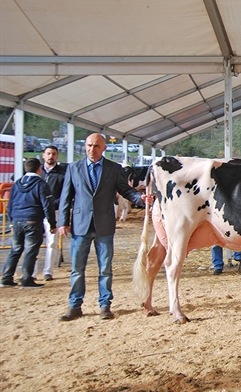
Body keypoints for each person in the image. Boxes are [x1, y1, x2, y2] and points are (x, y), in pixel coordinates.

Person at [57, 133, 154, 321]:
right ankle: (75, 305)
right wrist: (62, 222)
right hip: (80, 225)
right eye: (89, 145)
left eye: (96, 146)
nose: (91, 149)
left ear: (104, 148)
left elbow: (125, 190)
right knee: (77, 268)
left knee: (105, 269)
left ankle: (105, 305)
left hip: (105, 226)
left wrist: (140, 199)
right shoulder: (73, 168)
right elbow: (65, 197)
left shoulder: (114, 169)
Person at [0, 158, 56, 289]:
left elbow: (10, 204)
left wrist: (12, 220)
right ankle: (27, 278)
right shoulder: (41, 184)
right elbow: (47, 205)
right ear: (39, 169)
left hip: (17, 220)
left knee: (15, 250)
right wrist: (52, 223)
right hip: (33, 220)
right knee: (31, 250)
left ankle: (6, 277)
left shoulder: (17, 183)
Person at [34, 145, 67, 281]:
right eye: (48, 153)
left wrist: (53, 204)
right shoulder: (37, 172)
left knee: (52, 242)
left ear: (57, 156)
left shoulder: (62, 173)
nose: (50, 156)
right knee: (33, 243)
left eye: (53, 154)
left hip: (54, 211)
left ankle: (48, 271)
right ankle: (32, 272)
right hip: (36, 212)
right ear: (43, 155)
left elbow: (65, 193)